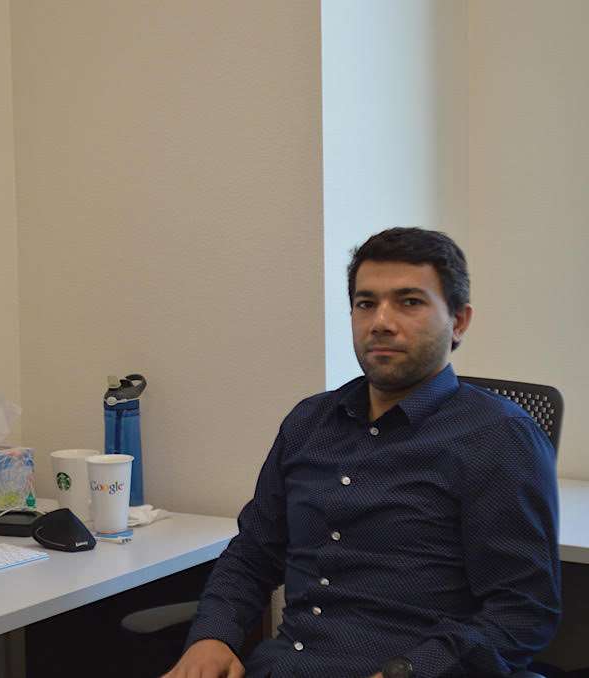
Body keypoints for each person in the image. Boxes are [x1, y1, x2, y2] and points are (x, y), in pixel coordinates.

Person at [161, 227, 560, 678]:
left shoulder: (499, 438)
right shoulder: (309, 422)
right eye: (366, 303)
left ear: (459, 322)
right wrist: (212, 636)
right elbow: (254, 554)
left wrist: (408, 672)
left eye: (410, 302)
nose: (381, 322)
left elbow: (523, 611)